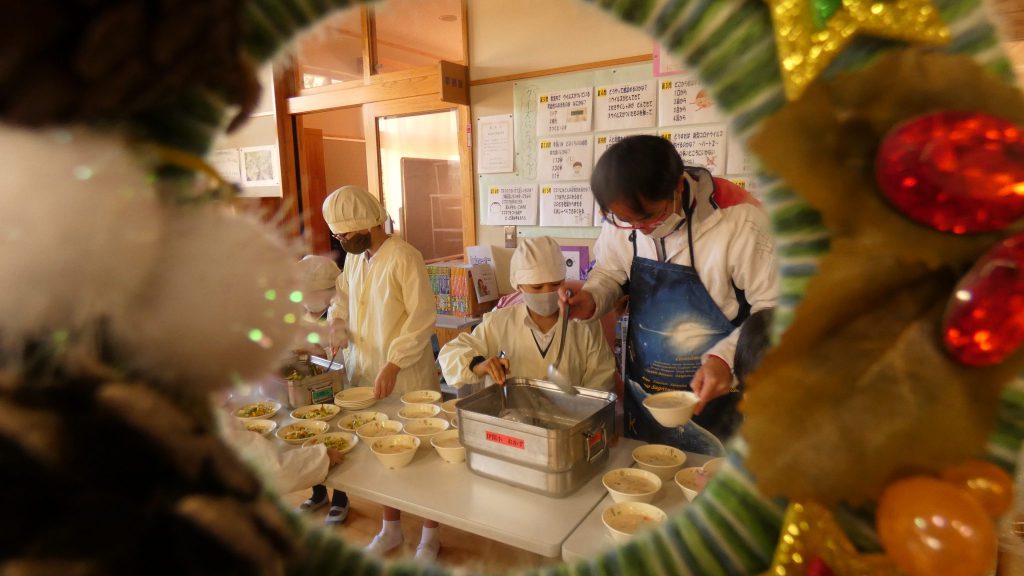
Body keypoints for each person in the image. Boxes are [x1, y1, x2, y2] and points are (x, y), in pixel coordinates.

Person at [562, 135, 778, 451]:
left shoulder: (740, 220)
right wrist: (592, 297)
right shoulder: (624, 219)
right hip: (647, 392)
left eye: (649, 217)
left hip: (718, 395)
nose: (639, 229)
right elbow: (610, 271)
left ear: (677, 187)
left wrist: (725, 360)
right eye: (624, 220)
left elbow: (773, 308)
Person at [321, 185, 442, 561]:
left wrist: (393, 363)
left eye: (346, 234)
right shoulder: (355, 259)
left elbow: (422, 318)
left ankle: (430, 536)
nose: (342, 241)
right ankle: (391, 530)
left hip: (405, 375)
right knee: (383, 450)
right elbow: (342, 297)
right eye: (338, 236)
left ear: (369, 223)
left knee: (420, 454)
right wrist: (336, 324)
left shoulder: (405, 257)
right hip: (365, 371)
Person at [438, 236, 616, 391]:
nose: (547, 292)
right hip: (510, 417)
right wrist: (479, 365)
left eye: (556, 284)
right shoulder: (498, 322)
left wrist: (584, 409)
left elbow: (602, 379)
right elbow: (449, 355)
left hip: (570, 417)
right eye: (537, 287)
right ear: (519, 286)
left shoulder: (584, 325)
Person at [293, 254, 351, 525]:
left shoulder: (341, 312)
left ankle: (341, 497)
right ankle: (317, 493)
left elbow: (346, 349)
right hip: (307, 388)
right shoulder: (300, 314)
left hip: (337, 385)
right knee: (311, 437)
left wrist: (322, 351)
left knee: (337, 439)